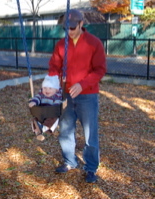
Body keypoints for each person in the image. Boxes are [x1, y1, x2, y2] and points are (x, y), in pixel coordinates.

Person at [48, 9, 106, 183]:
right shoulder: (60, 45)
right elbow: (54, 66)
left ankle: (90, 168)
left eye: (73, 27)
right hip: (66, 93)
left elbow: (100, 70)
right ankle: (69, 161)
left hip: (87, 95)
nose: (69, 31)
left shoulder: (94, 43)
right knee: (65, 130)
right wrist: (52, 82)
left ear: (82, 24)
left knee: (90, 133)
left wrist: (83, 84)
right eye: (66, 28)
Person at [29, 75, 62, 141]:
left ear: (56, 89)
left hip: (52, 113)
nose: (47, 90)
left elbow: (58, 102)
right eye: (45, 88)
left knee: (54, 119)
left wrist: (55, 106)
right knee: (35, 119)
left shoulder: (57, 96)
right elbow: (37, 97)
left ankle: (41, 129)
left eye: (50, 88)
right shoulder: (41, 95)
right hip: (41, 112)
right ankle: (38, 130)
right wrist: (33, 102)